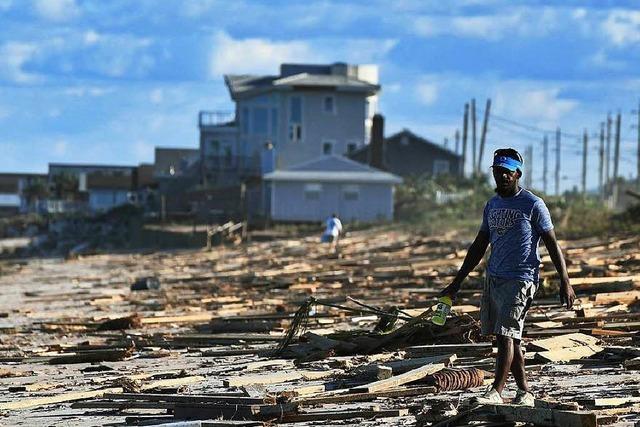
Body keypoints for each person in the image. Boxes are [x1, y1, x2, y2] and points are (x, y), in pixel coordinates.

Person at [440, 148, 575, 407]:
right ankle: (524, 392)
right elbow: (479, 245)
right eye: (497, 172)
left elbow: (552, 243)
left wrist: (565, 281)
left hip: (521, 278)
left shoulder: (533, 204)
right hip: (495, 278)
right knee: (511, 337)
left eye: (506, 172)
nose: (501, 176)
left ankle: (496, 391)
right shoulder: (492, 205)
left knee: (505, 335)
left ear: (517, 174)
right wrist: (457, 282)